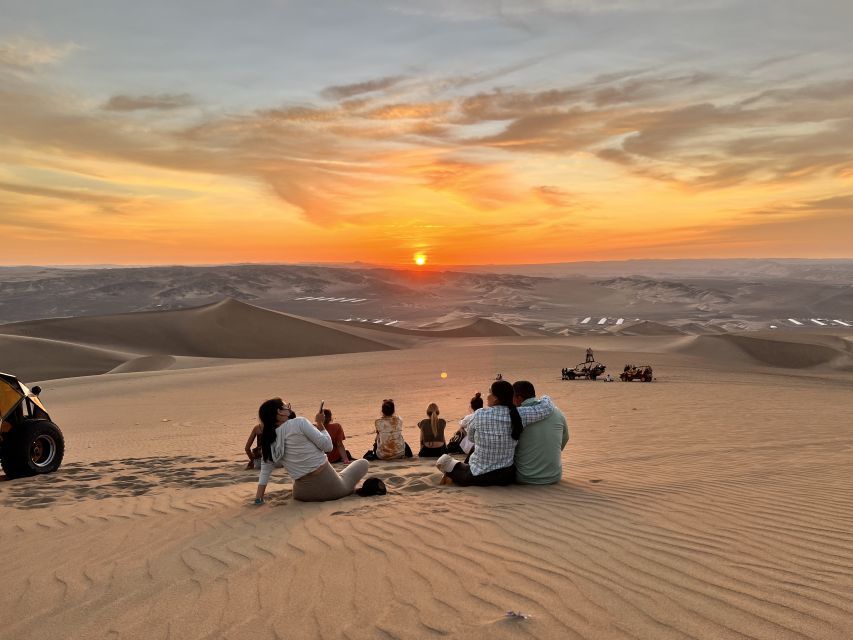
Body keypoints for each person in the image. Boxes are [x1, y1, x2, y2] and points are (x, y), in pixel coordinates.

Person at [435, 380, 554, 486]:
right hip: (506, 477)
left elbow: (471, 438)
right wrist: (545, 397)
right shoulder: (519, 414)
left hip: (477, 476)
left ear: (496, 398)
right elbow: (547, 408)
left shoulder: (480, 414)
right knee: (473, 452)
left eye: (489, 393)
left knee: (443, 460)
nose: (487, 396)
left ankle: (452, 476)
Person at [254, 398, 368, 503]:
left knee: (341, 474)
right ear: (280, 411)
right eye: (287, 406)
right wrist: (320, 424)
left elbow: (265, 472)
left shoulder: (268, 440)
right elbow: (328, 446)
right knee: (363, 463)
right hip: (331, 490)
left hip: (301, 495)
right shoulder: (299, 422)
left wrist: (258, 499)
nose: (289, 408)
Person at [512, 380, 569, 485]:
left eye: (512, 398)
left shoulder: (518, 416)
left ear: (519, 398)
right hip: (554, 476)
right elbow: (565, 437)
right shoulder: (557, 411)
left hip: (524, 477)